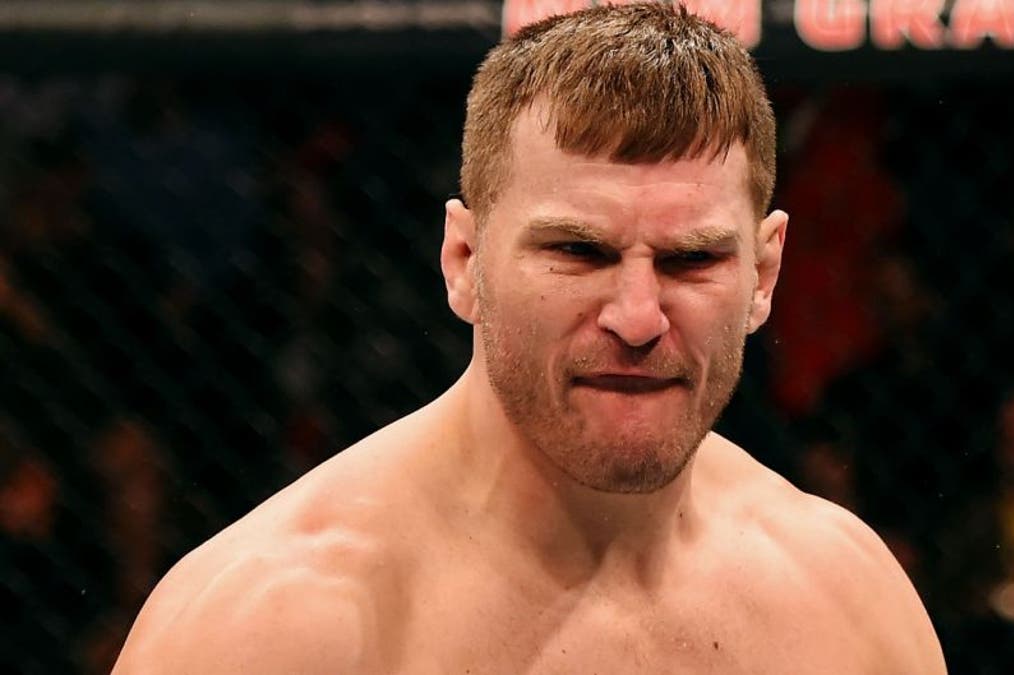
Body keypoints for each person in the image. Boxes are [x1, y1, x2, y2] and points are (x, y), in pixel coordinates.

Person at [113, 4, 944, 672]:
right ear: (464, 260)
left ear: (763, 276)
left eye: (692, 260)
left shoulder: (843, 602)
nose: (638, 316)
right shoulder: (275, 626)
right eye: (578, 251)